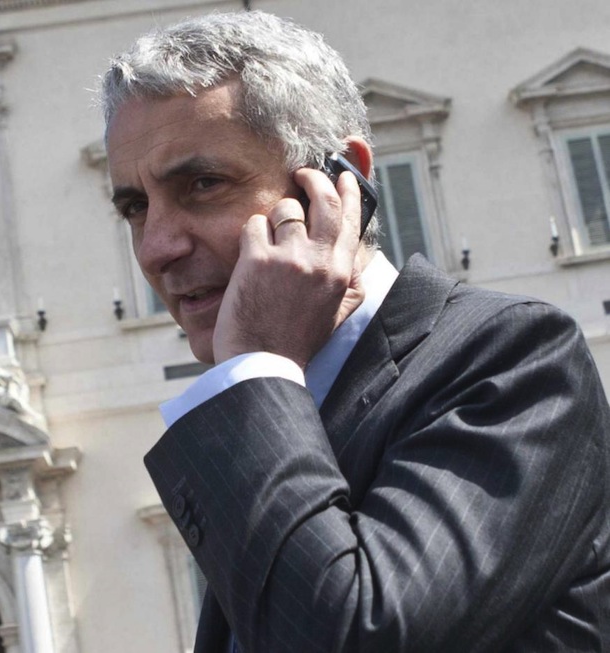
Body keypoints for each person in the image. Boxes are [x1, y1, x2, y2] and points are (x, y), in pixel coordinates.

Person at [100, 10, 610, 652]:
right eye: (135, 207)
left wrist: (253, 365)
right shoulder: (264, 399)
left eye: (204, 185)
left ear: (343, 182)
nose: (156, 248)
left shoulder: (516, 361)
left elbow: (355, 635)